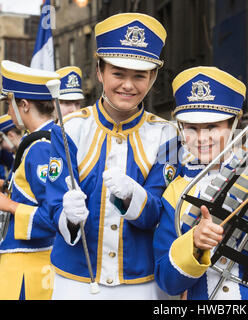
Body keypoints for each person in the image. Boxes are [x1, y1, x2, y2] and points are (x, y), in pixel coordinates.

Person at [46, 12, 179, 300]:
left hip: (140, 283)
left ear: (153, 76)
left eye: (139, 76)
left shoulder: (167, 136)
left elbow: (162, 212)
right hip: (76, 282)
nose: (128, 85)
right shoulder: (70, 128)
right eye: (118, 73)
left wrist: (136, 197)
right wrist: (67, 215)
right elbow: (53, 201)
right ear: (99, 71)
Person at [153, 66, 248, 300]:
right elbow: (168, 282)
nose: (201, 138)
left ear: (234, 124)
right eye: (191, 128)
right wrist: (194, 245)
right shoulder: (175, 192)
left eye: (212, 127)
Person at [0, 60, 60, 299]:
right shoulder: (39, 143)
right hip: (29, 262)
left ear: (23, 104)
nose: (8, 113)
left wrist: (9, 205)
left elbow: (54, 217)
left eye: (9, 104)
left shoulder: (40, 148)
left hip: (30, 266)